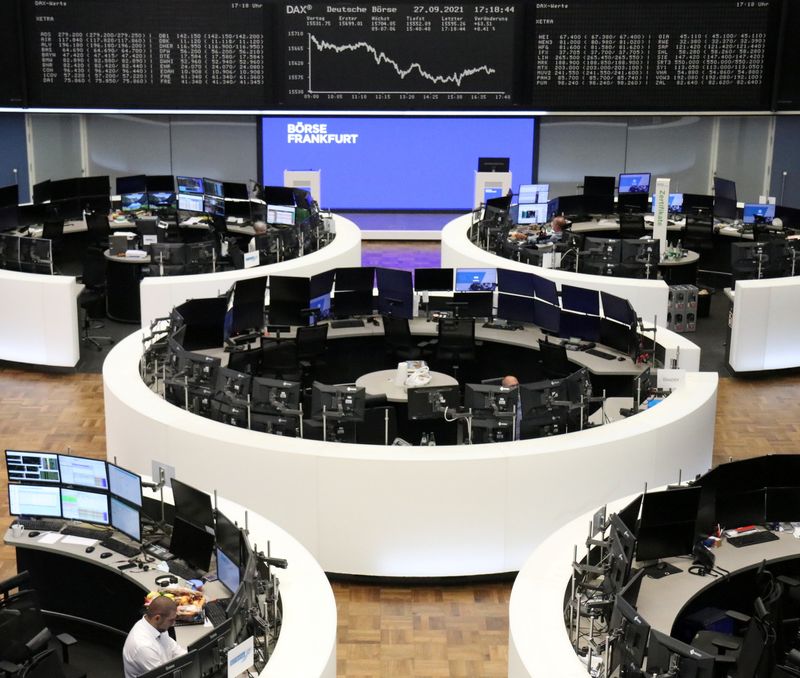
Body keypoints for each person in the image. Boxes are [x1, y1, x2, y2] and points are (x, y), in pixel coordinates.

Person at [122, 594, 187, 678]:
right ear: (157, 618)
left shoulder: (158, 627)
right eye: (171, 620)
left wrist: (193, 658)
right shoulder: (143, 646)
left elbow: (175, 650)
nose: (173, 624)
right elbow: (164, 675)